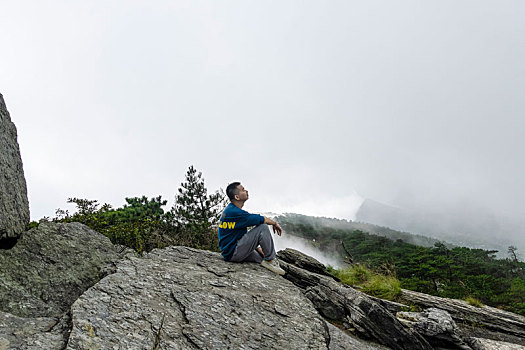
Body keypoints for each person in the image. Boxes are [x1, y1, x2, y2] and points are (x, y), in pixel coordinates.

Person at [217, 182, 285, 275]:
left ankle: (267, 260)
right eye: (243, 190)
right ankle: (270, 261)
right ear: (237, 197)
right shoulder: (235, 212)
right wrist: (275, 223)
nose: (246, 191)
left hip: (230, 252)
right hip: (234, 252)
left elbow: (238, 235)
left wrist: (256, 249)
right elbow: (262, 219)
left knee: (261, 258)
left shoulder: (230, 210)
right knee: (262, 227)